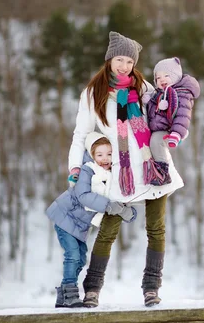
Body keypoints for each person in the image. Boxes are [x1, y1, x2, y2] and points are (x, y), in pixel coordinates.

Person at [67, 31, 185, 308]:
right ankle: (92, 289)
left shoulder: (143, 87)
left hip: (152, 165)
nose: (124, 66)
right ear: (109, 60)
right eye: (120, 59)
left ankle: (151, 288)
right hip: (122, 172)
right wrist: (74, 166)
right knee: (108, 230)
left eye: (129, 62)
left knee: (156, 229)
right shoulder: (93, 93)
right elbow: (79, 133)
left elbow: (171, 114)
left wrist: (178, 133)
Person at [47, 131, 137, 308]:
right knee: (72, 255)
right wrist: (109, 206)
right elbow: (83, 196)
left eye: (109, 154)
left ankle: (63, 295)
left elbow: (116, 198)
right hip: (66, 216)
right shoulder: (87, 170)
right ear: (92, 155)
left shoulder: (113, 175)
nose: (105, 158)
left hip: (79, 225)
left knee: (80, 259)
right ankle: (70, 293)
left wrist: (127, 211)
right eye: (100, 154)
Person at [141, 57, 200, 185]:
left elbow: (183, 116)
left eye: (166, 76)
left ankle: (162, 173)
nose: (161, 79)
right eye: (158, 78)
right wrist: (148, 100)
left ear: (176, 76)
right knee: (152, 141)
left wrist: (176, 134)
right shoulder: (159, 94)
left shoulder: (181, 94)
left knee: (157, 141)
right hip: (159, 129)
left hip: (171, 131)